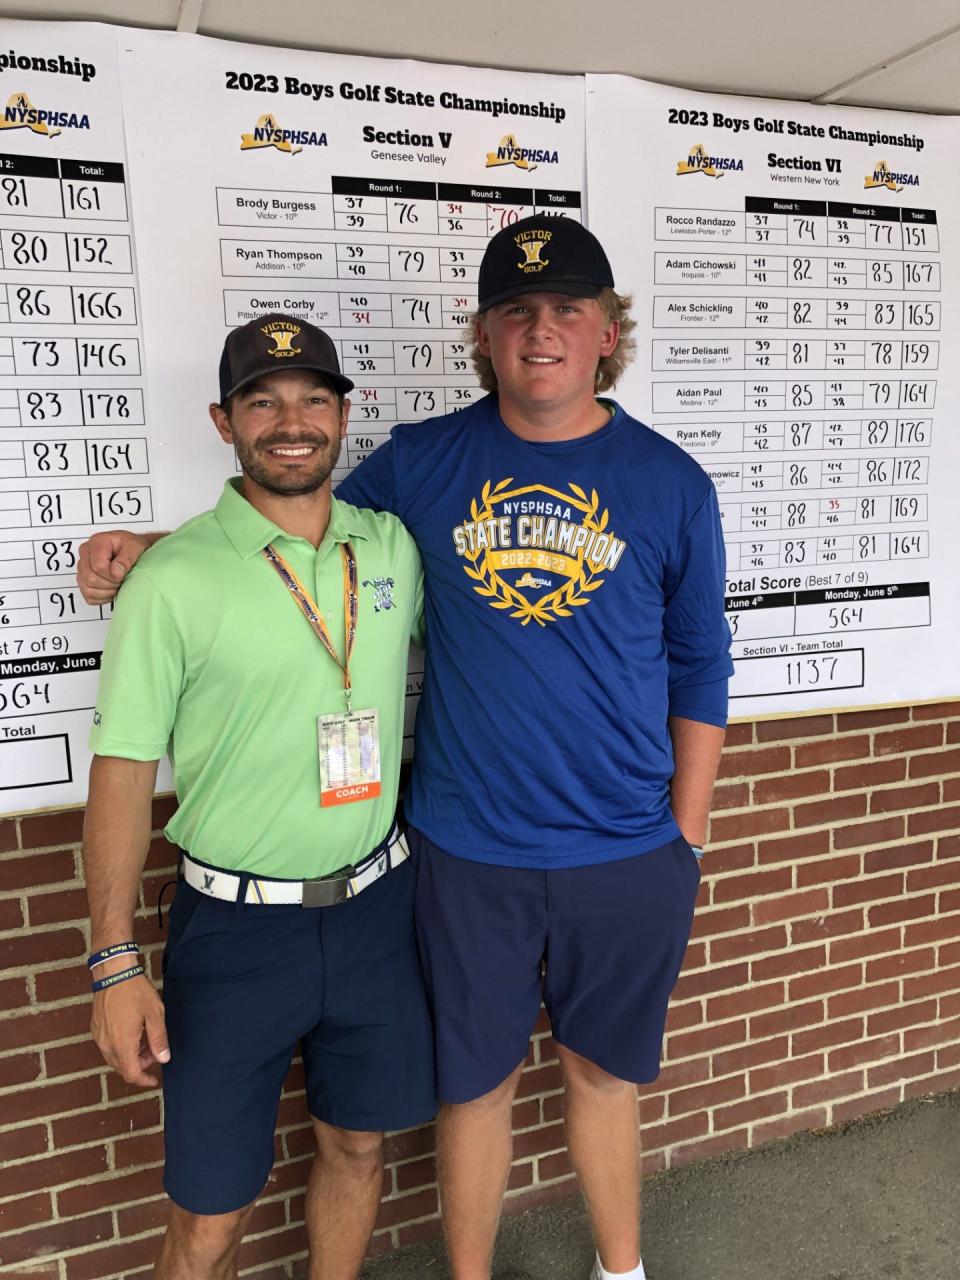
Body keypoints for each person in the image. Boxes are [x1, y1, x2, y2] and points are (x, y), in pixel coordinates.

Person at [80, 217, 732, 1280]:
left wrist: (685, 837)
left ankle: (624, 1267)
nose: (542, 331)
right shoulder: (425, 463)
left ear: (610, 332)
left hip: (622, 849)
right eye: (515, 311)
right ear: (482, 335)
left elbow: (702, 661)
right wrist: (153, 550)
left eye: (570, 307)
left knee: (604, 1076)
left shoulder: (671, 482)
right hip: (464, 848)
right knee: (469, 1087)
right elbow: (287, 516)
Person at [81, 314, 435, 1280]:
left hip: (376, 912)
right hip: (234, 934)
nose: (292, 420)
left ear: (344, 414)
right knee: (210, 1216)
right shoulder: (175, 579)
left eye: (314, 398)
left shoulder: (393, 547)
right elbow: (119, 771)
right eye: (263, 401)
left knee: (357, 1147)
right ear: (224, 420)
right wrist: (113, 963)